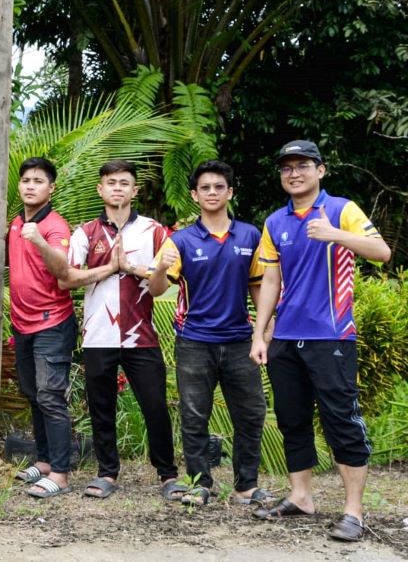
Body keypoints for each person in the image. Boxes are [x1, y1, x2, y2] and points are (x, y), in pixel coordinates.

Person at [250, 140, 390, 542]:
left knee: (342, 421)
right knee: (292, 420)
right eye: (287, 168)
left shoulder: (342, 210)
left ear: (321, 170)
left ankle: (353, 512)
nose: (294, 173)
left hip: (331, 335)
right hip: (286, 339)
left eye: (303, 165)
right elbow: (271, 280)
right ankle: (301, 496)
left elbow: (382, 252)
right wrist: (260, 334)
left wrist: (334, 235)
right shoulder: (275, 221)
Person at [148, 160, 272, 507]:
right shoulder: (181, 240)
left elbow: (260, 289)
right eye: (205, 188)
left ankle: (246, 486)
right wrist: (158, 267)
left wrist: (263, 333)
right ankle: (200, 483)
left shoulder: (250, 235)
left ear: (230, 192)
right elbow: (157, 290)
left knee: (251, 413)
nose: (213, 193)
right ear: (194, 195)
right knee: (194, 414)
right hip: (194, 341)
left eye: (219, 187)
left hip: (240, 341)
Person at [67, 159, 181, 500]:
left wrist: (134, 268)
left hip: (141, 334)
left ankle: (167, 474)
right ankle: (107, 473)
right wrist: (110, 269)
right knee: (101, 407)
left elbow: (161, 287)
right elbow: (69, 279)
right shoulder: (85, 232)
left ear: (135, 190)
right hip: (98, 333)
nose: (118, 188)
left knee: (155, 406)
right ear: (100, 189)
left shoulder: (155, 231)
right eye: (111, 182)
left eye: (124, 183)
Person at [7, 158, 121, 499]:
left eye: (38, 181)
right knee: (32, 393)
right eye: (26, 180)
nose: (30, 185)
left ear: (51, 188)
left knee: (50, 396)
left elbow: (64, 274)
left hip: (52, 324)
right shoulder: (16, 222)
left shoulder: (55, 227)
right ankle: (43, 462)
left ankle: (60, 473)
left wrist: (40, 241)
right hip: (22, 323)